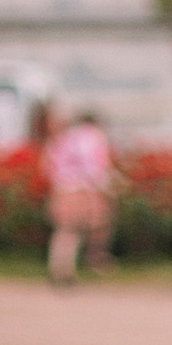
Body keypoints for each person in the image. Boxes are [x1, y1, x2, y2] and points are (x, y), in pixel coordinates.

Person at [44, 106, 115, 284]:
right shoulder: (92, 138)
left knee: (66, 232)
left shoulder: (61, 139)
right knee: (94, 225)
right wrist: (104, 187)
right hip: (81, 188)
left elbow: (48, 166)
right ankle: (95, 259)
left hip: (62, 187)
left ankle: (60, 268)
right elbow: (94, 167)